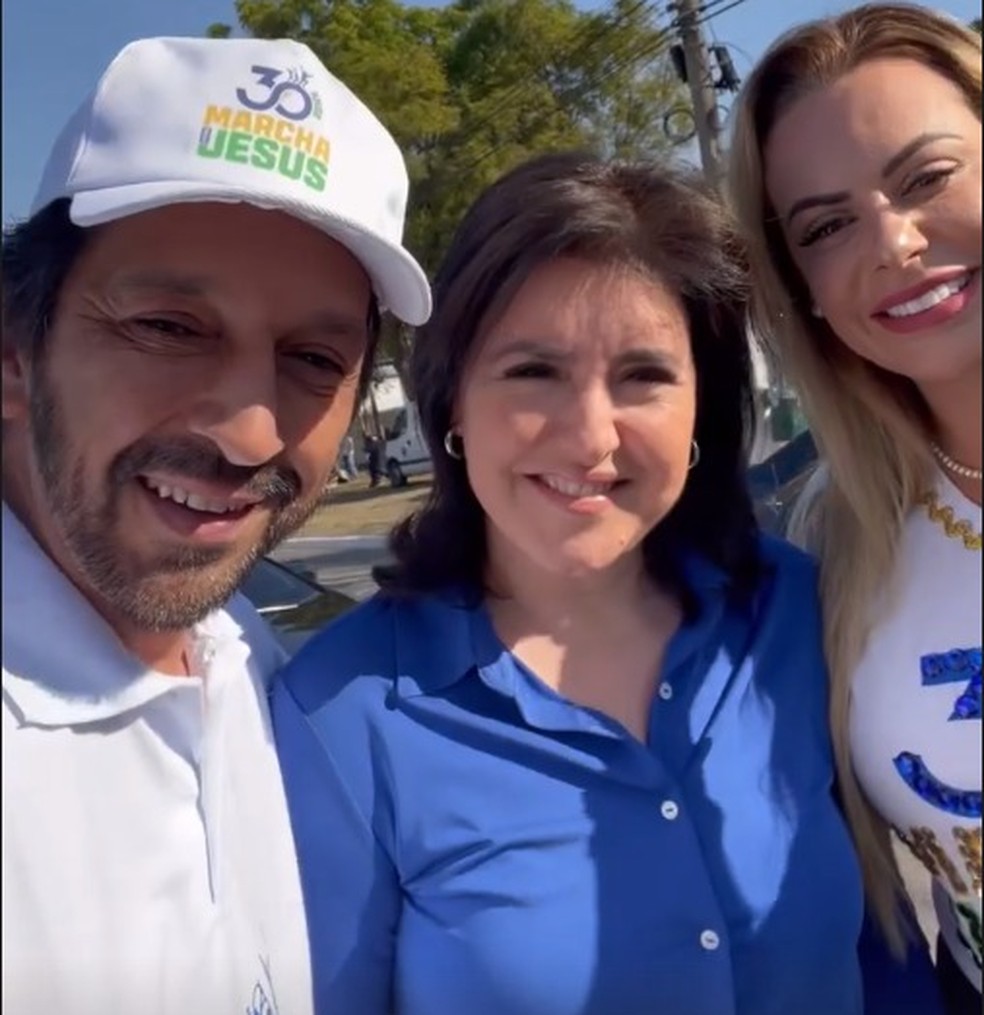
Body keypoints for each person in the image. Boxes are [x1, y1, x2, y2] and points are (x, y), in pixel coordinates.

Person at [271, 150, 873, 1015]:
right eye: (533, 371)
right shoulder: (340, 712)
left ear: (702, 403)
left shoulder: (795, 610)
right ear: (453, 405)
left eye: (644, 376)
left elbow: (887, 944)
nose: (591, 435)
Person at [1, 35, 430, 1015]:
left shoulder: (252, 666)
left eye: (314, 357)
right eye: (168, 327)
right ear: (16, 350)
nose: (248, 432)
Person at [727, 5, 981, 1013]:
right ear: (806, 287)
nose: (895, 242)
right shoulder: (833, 540)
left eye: (928, 176)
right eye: (827, 226)